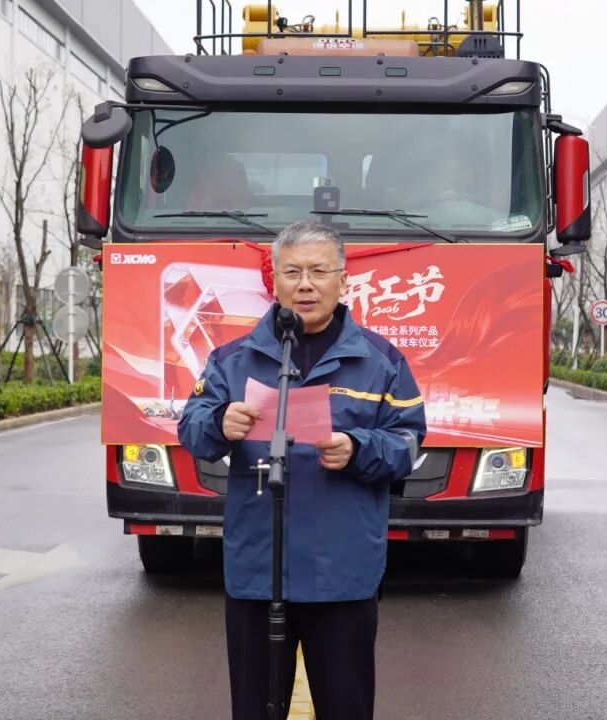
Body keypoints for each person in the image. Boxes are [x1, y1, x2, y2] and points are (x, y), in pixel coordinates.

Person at [177, 220, 427, 720]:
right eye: (292, 272)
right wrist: (219, 422)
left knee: (346, 706)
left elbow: (408, 441)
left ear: (343, 280)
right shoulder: (233, 359)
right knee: (254, 707)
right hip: (258, 569)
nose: (305, 285)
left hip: (342, 571)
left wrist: (359, 448)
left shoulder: (381, 360)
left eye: (318, 271)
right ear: (274, 282)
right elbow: (192, 428)